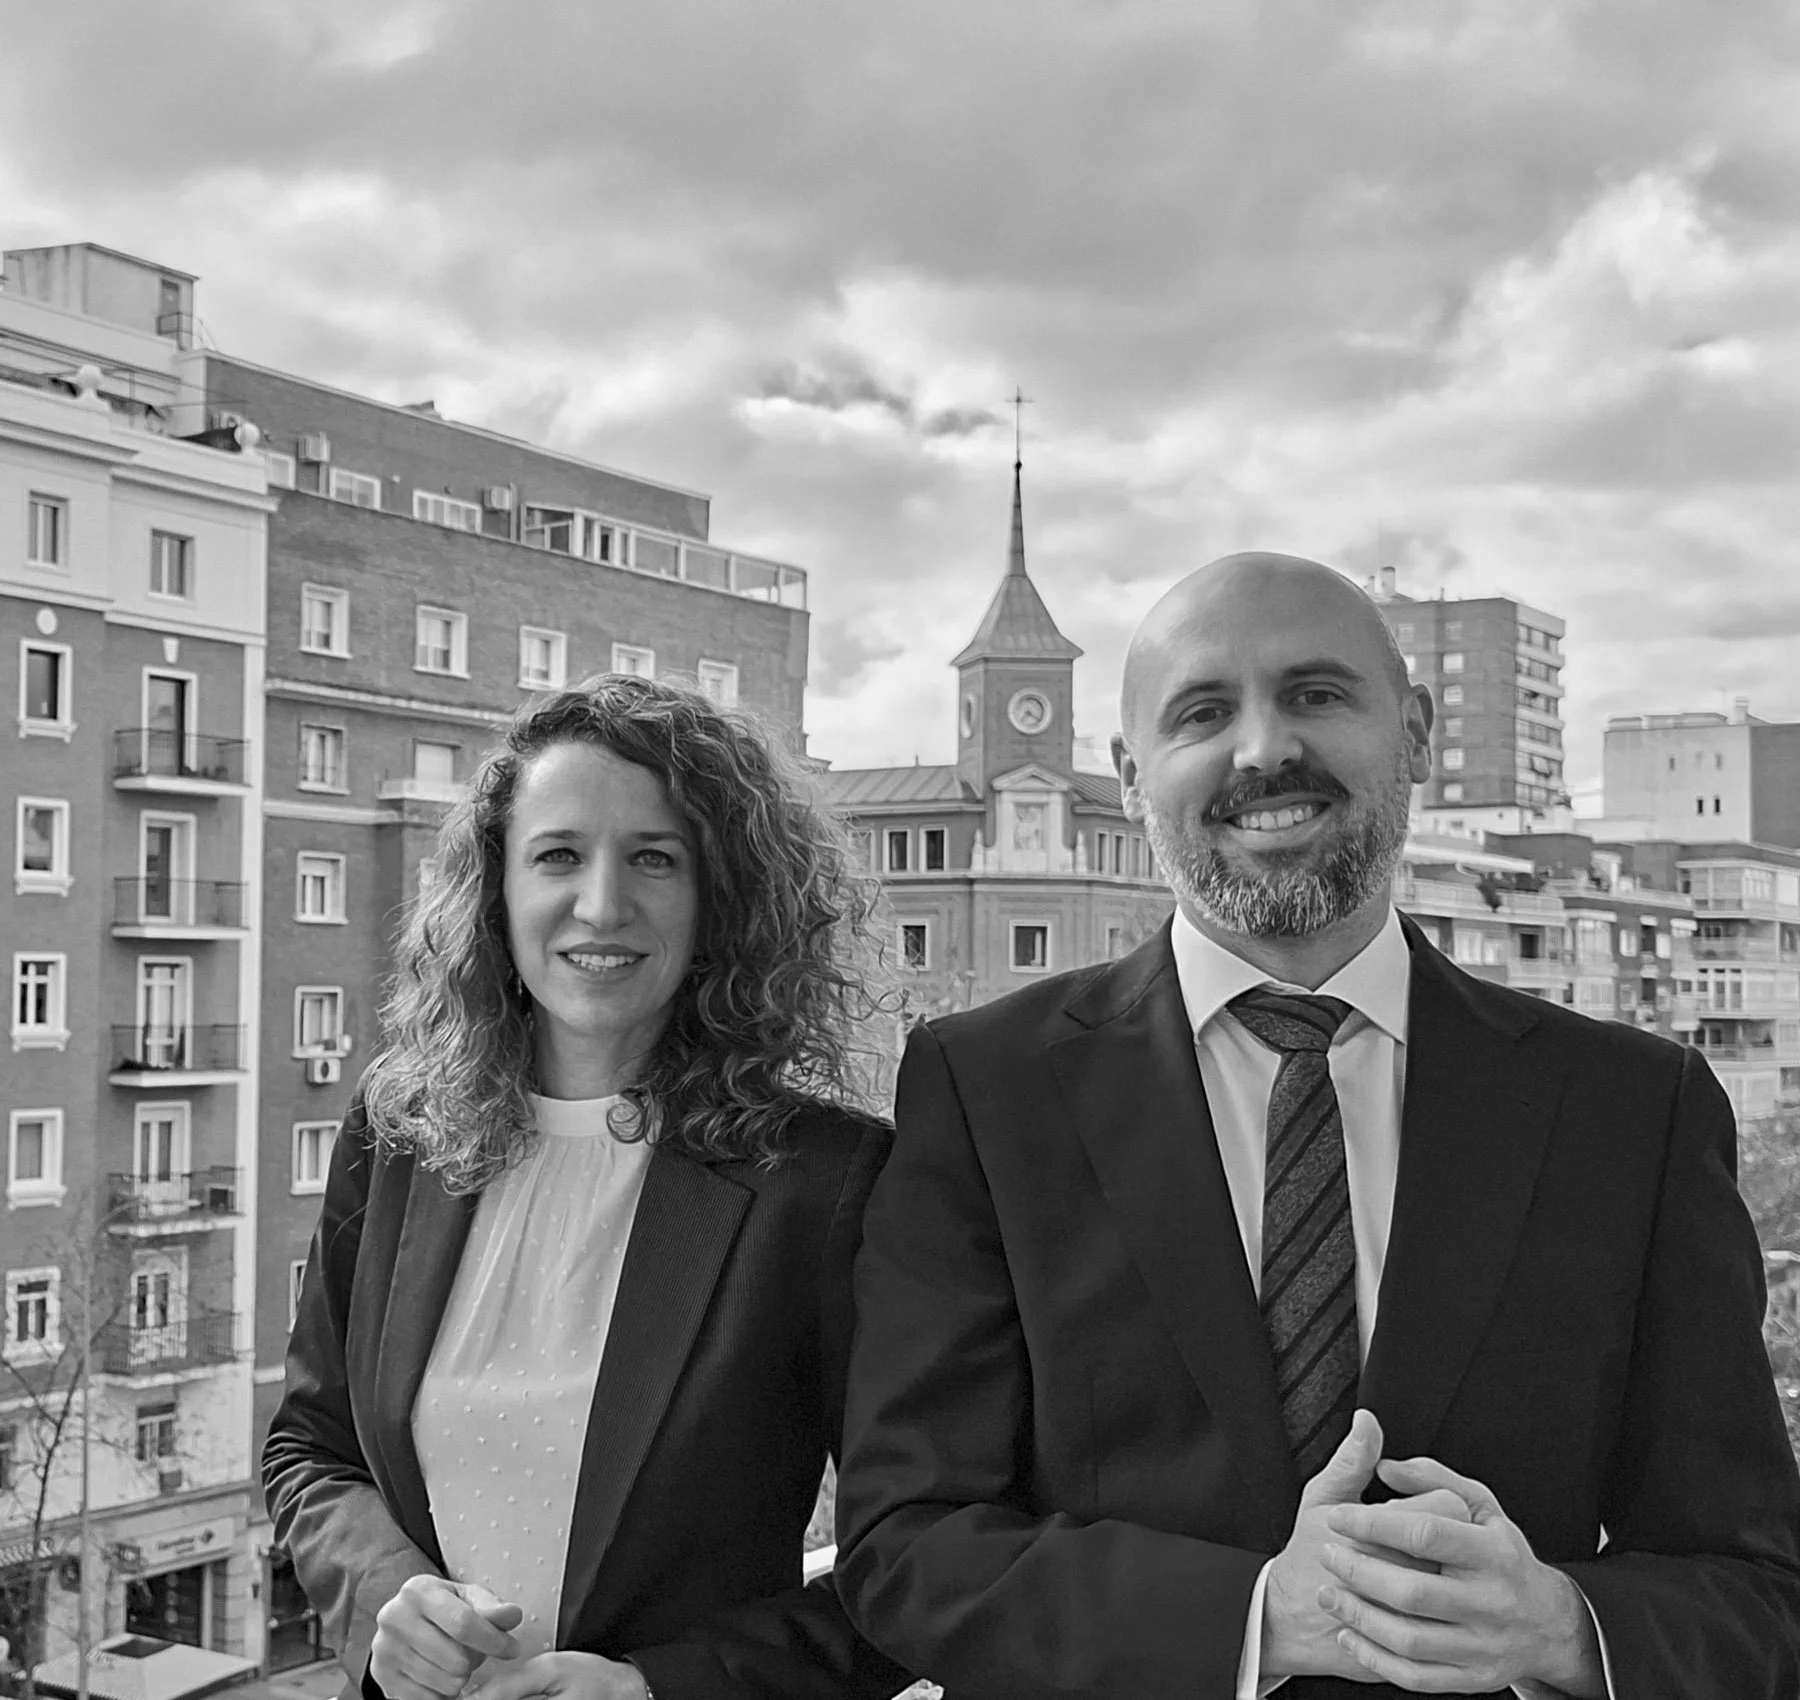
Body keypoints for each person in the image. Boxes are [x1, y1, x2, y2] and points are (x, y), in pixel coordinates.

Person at [835, 553, 1800, 1699]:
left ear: (1418, 732)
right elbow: (907, 1544)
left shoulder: (1630, 1108)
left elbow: (1755, 1584)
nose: (1261, 749)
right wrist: (1255, 1619)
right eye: (1204, 711)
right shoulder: (985, 1088)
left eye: (1318, 693)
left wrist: (1560, 1625)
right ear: (1132, 770)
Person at [266, 674, 912, 1700]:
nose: (601, 902)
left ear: (720, 899)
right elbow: (312, 1441)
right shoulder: (401, 1130)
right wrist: (383, 1596)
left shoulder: (824, 1183)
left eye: (655, 857)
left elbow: (919, 1564)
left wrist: (656, 1687)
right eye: (558, 854)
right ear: (498, 887)